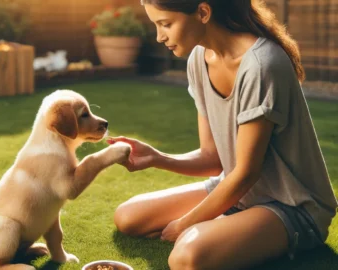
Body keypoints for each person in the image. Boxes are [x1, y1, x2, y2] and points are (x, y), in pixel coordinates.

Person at [107, 0, 338, 269]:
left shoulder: (261, 65)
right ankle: (229, 226)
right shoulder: (198, 58)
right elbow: (212, 158)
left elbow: (246, 173)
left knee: (186, 256)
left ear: (203, 12)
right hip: (239, 195)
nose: (160, 37)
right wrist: (158, 158)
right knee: (128, 216)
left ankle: (231, 229)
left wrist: (185, 223)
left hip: (293, 207)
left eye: (165, 24)